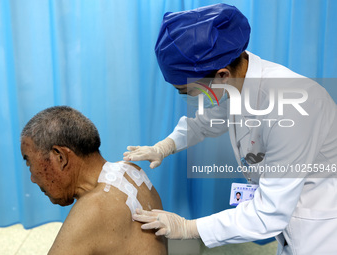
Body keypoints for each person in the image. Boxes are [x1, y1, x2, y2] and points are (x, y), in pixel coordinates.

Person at [123, 3, 337, 255]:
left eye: (189, 91)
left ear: (222, 74)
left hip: (321, 234)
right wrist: (165, 146)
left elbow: (269, 214)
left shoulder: (293, 105)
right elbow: (206, 122)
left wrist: (188, 227)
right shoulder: (240, 82)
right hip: (291, 227)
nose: (192, 98)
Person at [20, 106, 167, 255]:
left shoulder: (93, 208)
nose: (32, 178)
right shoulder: (132, 171)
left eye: (29, 163)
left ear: (60, 157)